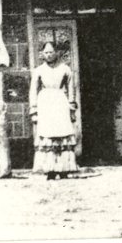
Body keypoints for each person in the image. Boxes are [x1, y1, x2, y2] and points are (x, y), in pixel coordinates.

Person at [29, 41, 78, 180]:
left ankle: (63, 169)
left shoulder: (65, 69)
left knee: (62, 135)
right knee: (48, 136)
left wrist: (71, 107)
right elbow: (33, 90)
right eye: (46, 52)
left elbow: (71, 90)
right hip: (45, 104)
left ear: (56, 53)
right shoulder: (38, 70)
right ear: (42, 54)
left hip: (60, 102)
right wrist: (34, 110)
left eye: (51, 52)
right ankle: (49, 169)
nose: (49, 55)